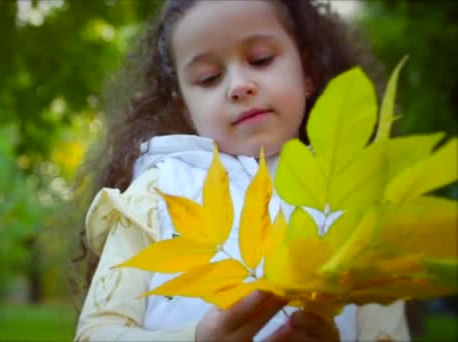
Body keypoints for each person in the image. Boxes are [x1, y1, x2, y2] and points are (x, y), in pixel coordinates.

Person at [73, 0, 410, 341]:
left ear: (307, 71)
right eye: (209, 78)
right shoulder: (156, 194)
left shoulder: (359, 197)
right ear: (185, 108)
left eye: (261, 59)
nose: (238, 85)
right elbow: (95, 334)